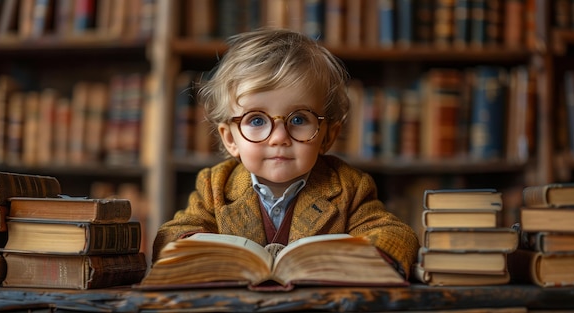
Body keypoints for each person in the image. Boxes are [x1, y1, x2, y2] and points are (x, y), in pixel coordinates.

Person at [152, 28, 420, 278]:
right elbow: (172, 234)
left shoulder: (348, 187)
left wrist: (366, 258)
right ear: (230, 138)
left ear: (327, 135)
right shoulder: (215, 186)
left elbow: (396, 235)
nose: (279, 138)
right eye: (256, 120)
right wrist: (191, 249)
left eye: (299, 119)